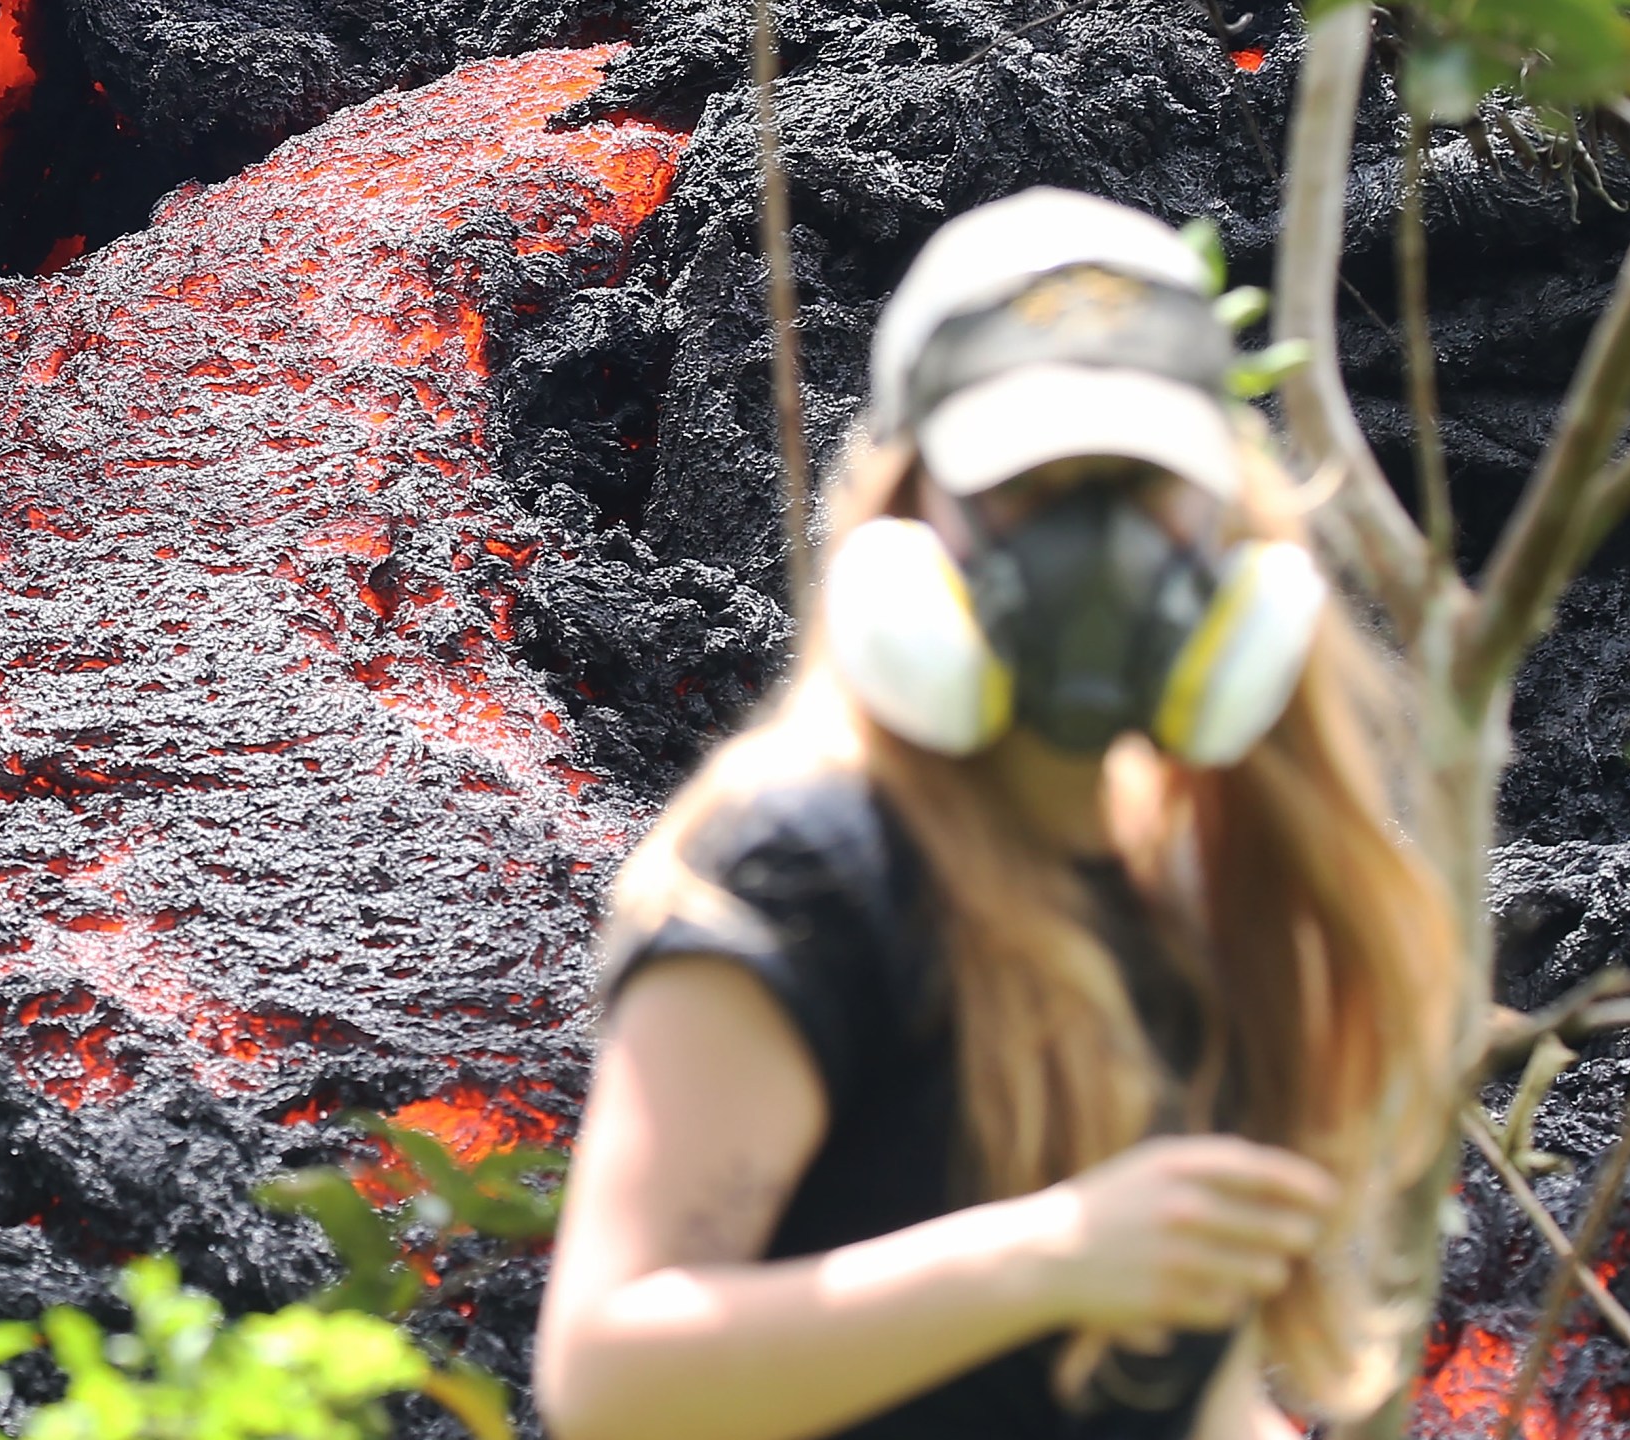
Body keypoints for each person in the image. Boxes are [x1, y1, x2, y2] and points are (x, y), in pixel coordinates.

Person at [533, 189, 1459, 1440]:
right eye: (1032, 488)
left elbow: (1181, 1387)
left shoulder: (1191, 880)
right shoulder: (796, 876)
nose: (1096, 554)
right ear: (912, 516)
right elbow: (611, 1377)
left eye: (1138, 488)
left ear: (1224, 522)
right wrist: (1052, 1258)